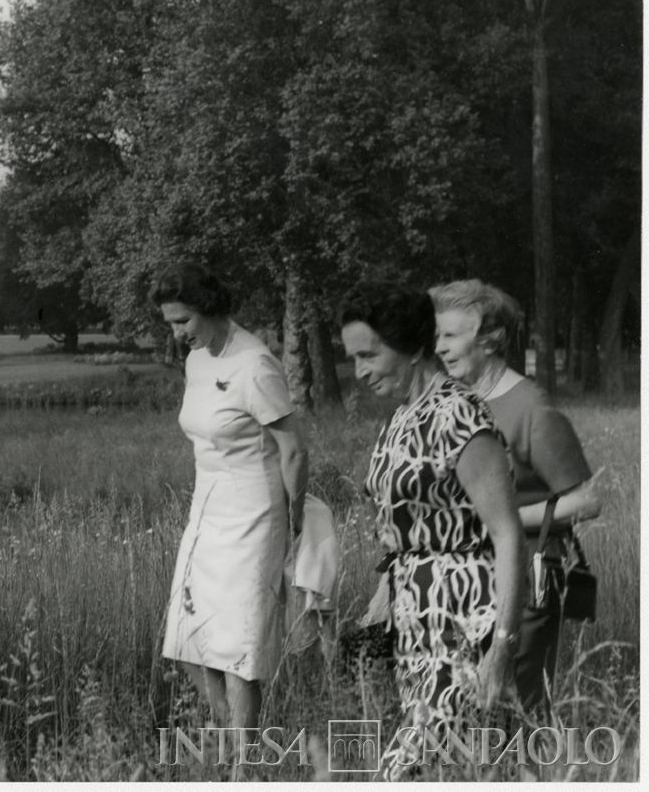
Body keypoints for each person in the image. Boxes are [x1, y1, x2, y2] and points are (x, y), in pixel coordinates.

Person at [339, 281, 524, 779]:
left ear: (412, 346)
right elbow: (403, 531)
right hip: (415, 624)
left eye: (369, 355)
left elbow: (508, 534)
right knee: (449, 772)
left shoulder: (459, 415)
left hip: (466, 619)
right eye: (353, 358)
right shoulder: (401, 418)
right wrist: (383, 597)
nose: (359, 371)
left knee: (406, 772)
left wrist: (502, 646)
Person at [151, 262, 309, 744]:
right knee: (187, 641)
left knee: (239, 649)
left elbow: (293, 450)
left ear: (210, 307)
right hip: (206, 511)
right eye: (170, 324)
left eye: (183, 321)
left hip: (254, 516)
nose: (177, 334)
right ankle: (231, 737)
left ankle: (243, 760)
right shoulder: (197, 360)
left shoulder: (255, 364)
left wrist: (294, 520)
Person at [430, 278, 598, 713]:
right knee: (459, 709)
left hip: (524, 580)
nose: (440, 347)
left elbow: (586, 501)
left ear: (491, 339)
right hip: (459, 580)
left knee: (515, 708)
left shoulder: (530, 407)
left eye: (451, 335)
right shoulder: (452, 402)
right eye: (437, 336)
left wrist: (501, 520)